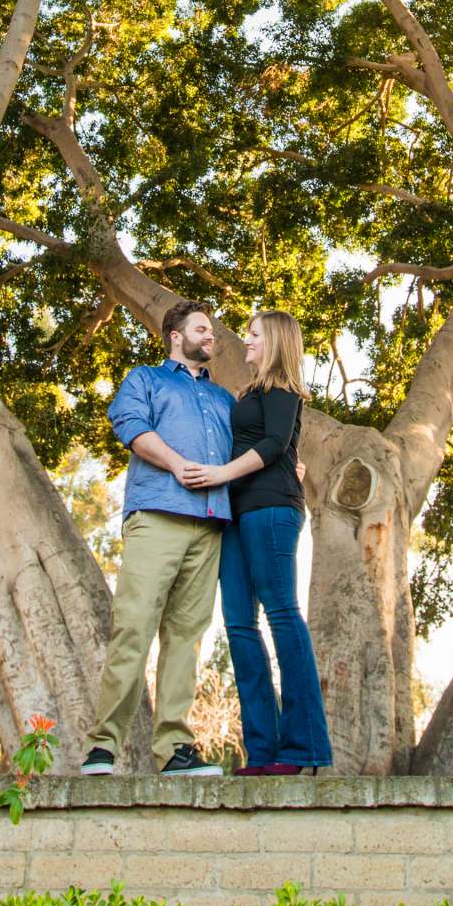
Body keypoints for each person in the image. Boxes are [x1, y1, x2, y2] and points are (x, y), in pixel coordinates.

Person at [80, 300, 233, 777]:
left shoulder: (225, 399)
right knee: (134, 626)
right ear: (175, 334)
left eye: (212, 331)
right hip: (158, 514)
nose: (212, 337)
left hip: (210, 524)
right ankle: (103, 746)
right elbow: (130, 426)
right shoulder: (145, 379)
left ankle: (175, 751)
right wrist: (174, 463)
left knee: (187, 639)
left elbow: (247, 451)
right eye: (202, 329)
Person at [183, 309, 332, 775]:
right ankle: (262, 752)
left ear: (276, 343)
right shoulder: (248, 392)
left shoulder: (283, 388)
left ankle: (302, 749)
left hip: (270, 510)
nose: (244, 341)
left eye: (253, 335)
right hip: (234, 516)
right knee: (240, 627)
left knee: (282, 615)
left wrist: (222, 474)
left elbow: (273, 444)